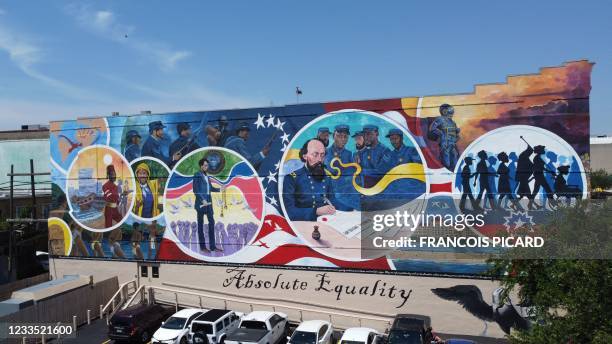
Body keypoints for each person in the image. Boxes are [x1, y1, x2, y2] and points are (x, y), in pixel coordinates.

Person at [282, 139, 349, 221]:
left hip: (326, 221)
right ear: (305, 156)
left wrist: (352, 210)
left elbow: (333, 201)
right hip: (304, 224)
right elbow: (289, 212)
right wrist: (316, 211)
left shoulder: (326, 177)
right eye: (315, 155)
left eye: (322, 155)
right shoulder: (292, 178)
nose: (320, 160)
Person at [193, 158, 224, 252]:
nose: (207, 167)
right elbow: (196, 190)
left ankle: (212, 246)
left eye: (207, 165)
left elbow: (210, 188)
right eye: (205, 165)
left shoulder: (207, 177)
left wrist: (219, 189)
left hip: (209, 203)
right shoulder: (197, 175)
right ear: (201, 166)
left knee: (212, 223)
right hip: (201, 203)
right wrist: (202, 200)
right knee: (200, 224)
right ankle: (203, 247)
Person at [428, 103, 460, 170]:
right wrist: (441, 134)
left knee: (455, 162)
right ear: (444, 111)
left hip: (452, 144)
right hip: (445, 144)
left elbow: (456, 132)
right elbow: (432, 128)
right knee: (447, 163)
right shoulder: (440, 119)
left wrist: (457, 134)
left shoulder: (452, 122)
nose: (451, 111)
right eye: (449, 109)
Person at [516, 144, 540, 210]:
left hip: (524, 179)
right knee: (528, 194)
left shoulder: (524, 158)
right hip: (523, 179)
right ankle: (534, 206)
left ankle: (513, 204)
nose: (530, 154)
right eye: (529, 153)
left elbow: (531, 166)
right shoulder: (523, 158)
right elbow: (531, 166)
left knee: (522, 195)